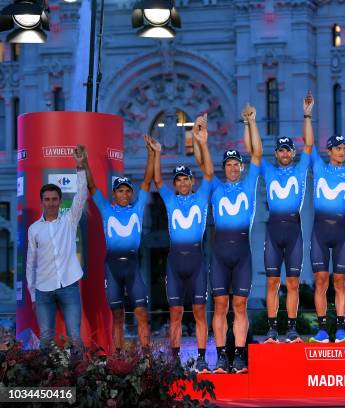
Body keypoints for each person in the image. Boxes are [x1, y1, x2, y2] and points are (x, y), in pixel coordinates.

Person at [200, 103, 262, 374]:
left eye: (237, 164)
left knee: (240, 305)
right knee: (220, 305)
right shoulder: (215, 185)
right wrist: (202, 142)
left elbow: (257, 153)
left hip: (242, 253)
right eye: (230, 164)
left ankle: (238, 356)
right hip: (220, 252)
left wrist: (251, 123)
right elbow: (205, 167)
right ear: (225, 168)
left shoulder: (249, 183)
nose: (234, 168)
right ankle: (222, 356)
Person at [150, 124, 211, 372]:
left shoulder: (201, 196)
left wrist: (202, 142)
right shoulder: (169, 198)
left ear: (191, 181)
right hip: (175, 263)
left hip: (197, 261)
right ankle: (174, 360)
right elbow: (156, 179)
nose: (183, 183)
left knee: (199, 312)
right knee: (175, 313)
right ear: (175, 184)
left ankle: (202, 357)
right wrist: (155, 153)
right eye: (179, 180)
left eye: (186, 179)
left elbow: (208, 173)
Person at [87, 135, 155, 351]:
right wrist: (84, 163)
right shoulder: (106, 209)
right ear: (114, 194)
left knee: (142, 313)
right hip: (112, 267)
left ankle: (147, 358)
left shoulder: (138, 207)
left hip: (133, 267)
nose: (124, 194)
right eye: (120, 191)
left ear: (131, 194)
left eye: (127, 191)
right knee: (117, 316)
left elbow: (147, 181)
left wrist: (152, 154)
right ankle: (117, 358)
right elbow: (91, 186)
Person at [259, 92, 314, 343]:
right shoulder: (268, 170)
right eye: (280, 150)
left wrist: (307, 115)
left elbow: (310, 145)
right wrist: (250, 122)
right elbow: (254, 151)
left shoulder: (301, 168)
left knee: (292, 283)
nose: (284, 153)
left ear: (292, 153)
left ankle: (291, 329)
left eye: (287, 150)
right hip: (273, 231)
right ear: (276, 153)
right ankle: (272, 329)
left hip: (294, 230)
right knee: (272, 282)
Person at [26, 145, 89, 356]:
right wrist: (33, 295)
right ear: (42, 201)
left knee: (75, 337)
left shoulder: (69, 221)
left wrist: (80, 167)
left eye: (54, 199)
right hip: (43, 290)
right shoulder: (34, 229)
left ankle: (80, 380)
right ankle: (47, 379)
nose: (51, 203)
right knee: (45, 339)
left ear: (60, 201)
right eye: (47, 199)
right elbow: (30, 264)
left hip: (69, 285)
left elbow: (81, 195)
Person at [308, 134, 345, 343]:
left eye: (344, 148)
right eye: (338, 148)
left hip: (341, 234)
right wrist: (307, 115)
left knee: (340, 282)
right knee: (321, 281)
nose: (342, 152)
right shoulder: (319, 168)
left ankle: (340, 330)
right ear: (329, 151)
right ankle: (321, 330)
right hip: (320, 232)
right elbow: (309, 142)